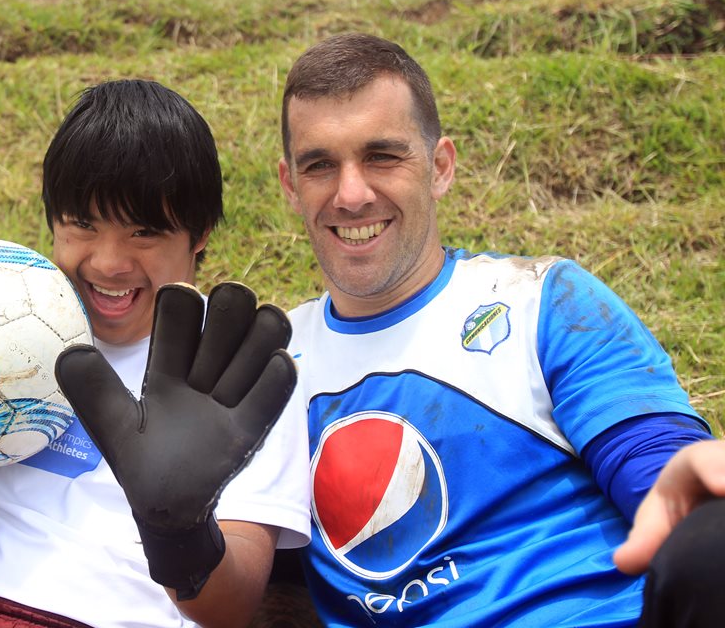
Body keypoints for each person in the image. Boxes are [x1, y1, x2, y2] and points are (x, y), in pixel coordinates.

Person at [0, 79, 311, 628]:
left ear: (199, 235)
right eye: (82, 224)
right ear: (53, 220)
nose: (108, 263)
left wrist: (179, 530)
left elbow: (230, 610)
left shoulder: (242, 376)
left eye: (144, 231)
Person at [276, 31, 725, 627]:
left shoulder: (545, 299)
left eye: (383, 156)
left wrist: (701, 506)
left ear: (440, 168)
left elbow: (661, 473)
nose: (351, 194)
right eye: (320, 166)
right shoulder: (267, 362)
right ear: (289, 185)